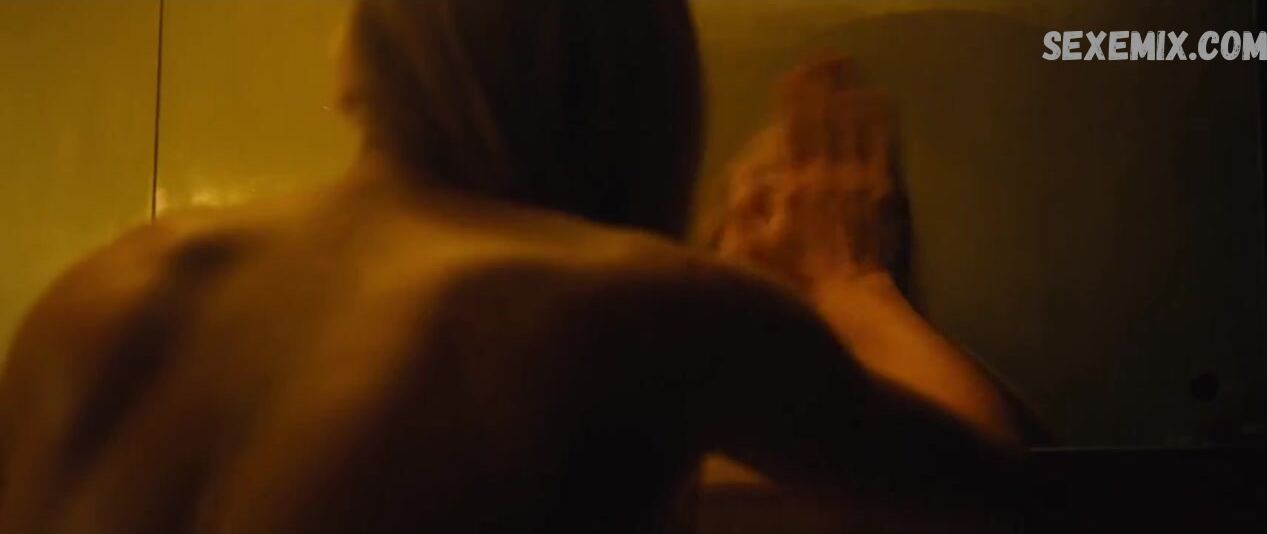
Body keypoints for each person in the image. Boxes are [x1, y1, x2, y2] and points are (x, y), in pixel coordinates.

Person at [0, 1, 1035, 533]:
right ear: (637, 87)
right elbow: (1007, 501)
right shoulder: (630, 305)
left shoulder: (100, 294)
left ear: (356, 67)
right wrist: (847, 281)